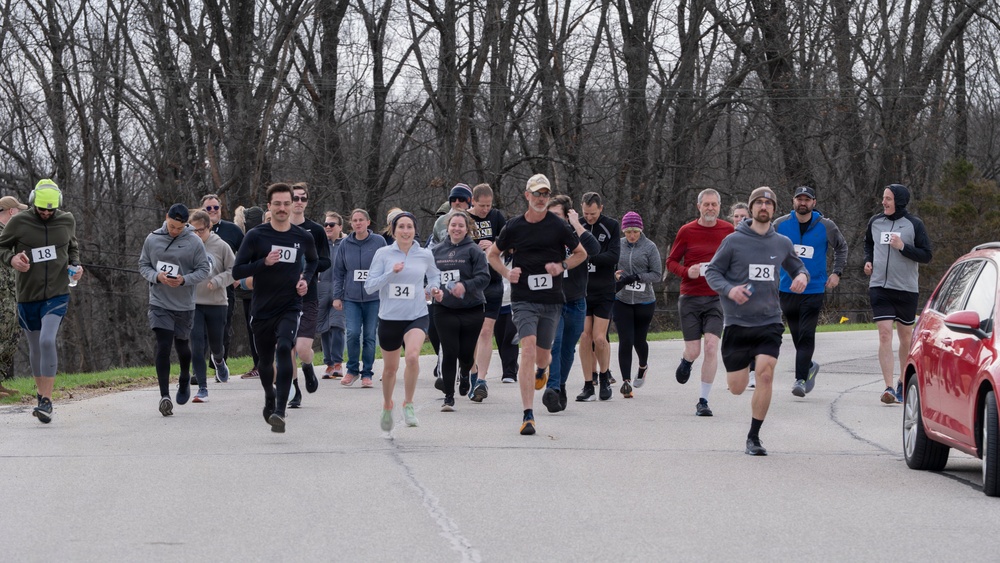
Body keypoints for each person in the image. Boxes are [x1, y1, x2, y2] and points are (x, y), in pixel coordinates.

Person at [705, 187, 809, 456]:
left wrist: (801, 277)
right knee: (737, 388)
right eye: (759, 203)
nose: (764, 206)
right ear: (751, 208)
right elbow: (713, 273)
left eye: (769, 203)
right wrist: (729, 290)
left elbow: (798, 267)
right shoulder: (733, 242)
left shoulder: (782, 243)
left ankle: (754, 436)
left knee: (765, 374)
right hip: (738, 323)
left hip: (769, 321)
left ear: (774, 209)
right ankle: (740, 372)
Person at [486, 174, 586, 435]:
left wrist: (561, 265)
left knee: (543, 355)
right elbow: (492, 254)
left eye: (545, 194)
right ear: (526, 195)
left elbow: (581, 254)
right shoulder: (514, 226)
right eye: (537, 194)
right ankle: (528, 415)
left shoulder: (558, 226)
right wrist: (507, 274)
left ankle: (543, 369)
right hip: (523, 299)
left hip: (551, 301)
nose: (541, 199)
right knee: (527, 349)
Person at [232, 183, 318, 433]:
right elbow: (238, 271)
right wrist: (263, 262)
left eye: (286, 203)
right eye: (277, 204)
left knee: (284, 347)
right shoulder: (256, 235)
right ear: (269, 206)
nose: (282, 208)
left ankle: (280, 410)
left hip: (290, 305)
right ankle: (269, 397)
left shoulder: (303, 236)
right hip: (262, 308)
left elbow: (313, 262)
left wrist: (305, 280)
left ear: (292, 205)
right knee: (266, 362)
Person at [0, 180, 83, 422]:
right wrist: (12, 259)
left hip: (57, 293)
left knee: (48, 340)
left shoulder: (66, 220)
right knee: (35, 347)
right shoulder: (19, 222)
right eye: (41, 209)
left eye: (50, 209)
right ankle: (40, 394)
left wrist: (75, 266)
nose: (46, 213)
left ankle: (46, 401)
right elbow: (1, 246)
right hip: (27, 295)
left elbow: (72, 247)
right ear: (33, 201)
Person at [364, 212, 441, 430]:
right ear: (393, 230)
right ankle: (388, 404)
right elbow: (369, 286)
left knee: (413, 357)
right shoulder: (383, 254)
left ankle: (408, 403)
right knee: (390, 369)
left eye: (409, 227)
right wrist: (391, 272)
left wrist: (432, 289)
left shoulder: (425, 255)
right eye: (401, 227)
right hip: (389, 317)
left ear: (415, 230)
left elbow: (434, 277)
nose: (406, 231)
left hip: (416, 314)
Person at [773, 186, 849, 397]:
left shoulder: (826, 226)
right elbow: (766, 246)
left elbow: (841, 247)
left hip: (814, 288)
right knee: (797, 334)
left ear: (814, 203)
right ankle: (809, 366)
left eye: (807, 199)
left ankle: (800, 379)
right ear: (793, 201)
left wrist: (837, 273)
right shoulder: (780, 225)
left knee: (807, 334)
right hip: (786, 288)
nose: (803, 203)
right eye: (799, 199)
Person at [665, 188, 734, 416]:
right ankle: (686, 360)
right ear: (699, 207)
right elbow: (671, 261)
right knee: (694, 351)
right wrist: (687, 272)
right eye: (706, 204)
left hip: (716, 298)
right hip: (691, 298)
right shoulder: (687, 231)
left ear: (719, 207)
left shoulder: (728, 230)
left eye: (714, 204)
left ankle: (703, 400)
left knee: (712, 347)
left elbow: (738, 258)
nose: (710, 208)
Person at [138, 203, 211, 416]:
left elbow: (204, 269)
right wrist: (157, 277)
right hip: (159, 302)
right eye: (171, 226)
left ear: (186, 225)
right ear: (166, 218)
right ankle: (164, 396)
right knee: (162, 345)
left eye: (179, 228)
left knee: (182, 347)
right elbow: (143, 265)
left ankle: (184, 376)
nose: (175, 231)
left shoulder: (194, 241)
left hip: (184, 304)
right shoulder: (152, 239)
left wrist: (184, 280)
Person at [863, 183, 933, 404]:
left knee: (905, 338)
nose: (883, 202)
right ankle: (889, 387)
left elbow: (927, 255)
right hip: (879, 287)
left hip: (905, 289)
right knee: (884, 334)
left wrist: (903, 246)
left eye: (888, 199)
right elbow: (868, 244)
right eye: (883, 198)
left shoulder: (914, 224)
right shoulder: (875, 222)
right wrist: (868, 261)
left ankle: (903, 381)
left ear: (899, 202)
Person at [542, 195, 598, 412]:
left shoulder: (576, 234)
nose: (552, 219)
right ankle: (553, 389)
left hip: (576, 301)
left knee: (567, 349)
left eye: (557, 215)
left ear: (567, 216)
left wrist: (576, 223)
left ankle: (561, 385)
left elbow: (594, 250)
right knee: (555, 345)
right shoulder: (543, 235)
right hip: (553, 300)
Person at [431, 211, 491, 410]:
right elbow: (428, 277)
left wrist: (465, 286)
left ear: (467, 229)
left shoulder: (474, 251)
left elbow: (484, 278)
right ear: (447, 227)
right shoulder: (436, 251)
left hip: (471, 309)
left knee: (465, 355)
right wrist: (432, 291)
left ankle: (466, 373)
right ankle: (449, 396)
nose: (456, 229)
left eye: (461, 226)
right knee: (449, 352)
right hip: (444, 308)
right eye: (453, 225)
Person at [286, 183, 331, 408]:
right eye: (295, 198)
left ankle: (308, 365)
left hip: (308, 295)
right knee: (287, 348)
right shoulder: (278, 229)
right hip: (284, 298)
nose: (298, 202)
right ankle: (294, 391)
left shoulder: (316, 230)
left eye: (303, 198)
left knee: (303, 350)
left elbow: (325, 260)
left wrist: (307, 272)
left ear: (307, 202)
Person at [333, 209, 386, 387]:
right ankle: (352, 370)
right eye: (354, 220)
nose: (358, 223)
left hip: (374, 297)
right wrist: (337, 296)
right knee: (353, 333)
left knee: (370, 336)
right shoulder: (345, 244)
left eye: (361, 220)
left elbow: (386, 267)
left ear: (368, 222)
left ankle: (367, 373)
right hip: (351, 297)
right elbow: (338, 272)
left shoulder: (379, 241)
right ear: (351, 224)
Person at [613, 212, 662, 398]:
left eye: (634, 231)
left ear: (640, 230)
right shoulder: (618, 245)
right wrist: (617, 276)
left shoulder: (649, 247)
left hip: (644, 301)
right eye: (628, 232)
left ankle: (642, 366)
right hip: (622, 299)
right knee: (625, 339)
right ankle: (626, 382)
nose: (631, 235)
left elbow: (657, 274)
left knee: (638, 340)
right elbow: (611, 267)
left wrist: (638, 277)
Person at [188, 209, 235, 402]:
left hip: (216, 303)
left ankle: (219, 360)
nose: (196, 235)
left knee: (216, 344)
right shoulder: (187, 245)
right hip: (193, 303)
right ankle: (202, 388)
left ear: (209, 227)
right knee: (197, 346)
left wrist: (217, 281)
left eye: (200, 230)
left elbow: (234, 271)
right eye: (192, 230)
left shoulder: (221, 246)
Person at [466, 183, 507, 401]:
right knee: (472, 332)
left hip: (493, 281)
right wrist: (475, 247)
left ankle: (482, 380)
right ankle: (472, 374)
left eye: (488, 205)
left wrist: (493, 245)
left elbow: (509, 243)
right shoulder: (463, 218)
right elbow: (455, 244)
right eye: (482, 206)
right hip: (471, 283)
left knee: (486, 331)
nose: (485, 210)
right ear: (473, 201)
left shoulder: (497, 217)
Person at [579, 192, 621, 400]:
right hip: (582, 290)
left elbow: (613, 256)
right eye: (586, 213)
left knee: (599, 337)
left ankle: (605, 376)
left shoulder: (611, 225)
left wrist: (589, 258)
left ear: (601, 208)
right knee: (585, 337)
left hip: (604, 289)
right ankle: (588, 383)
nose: (589, 217)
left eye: (593, 214)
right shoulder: (577, 225)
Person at [200, 194, 244, 370]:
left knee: (222, 328)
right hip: (199, 288)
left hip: (225, 288)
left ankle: (219, 362)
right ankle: (198, 368)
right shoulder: (193, 231)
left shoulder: (232, 230)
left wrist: (239, 275)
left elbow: (246, 253)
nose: (212, 211)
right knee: (199, 330)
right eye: (207, 208)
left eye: (215, 207)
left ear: (220, 208)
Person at [0, 195, 28, 394]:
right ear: (11, 211)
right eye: (18, 210)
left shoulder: (9, 236)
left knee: (11, 337)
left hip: (12, 296)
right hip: (2, 299)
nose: (19, 214)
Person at [233, 205, 264, 379]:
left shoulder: (255, 240)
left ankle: (263, 364)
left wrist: (242, 279)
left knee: (258, 328)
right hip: (246, 292)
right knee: (252, 328)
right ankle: (258, 364)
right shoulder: (247, 241)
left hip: (257, 290)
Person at [318, 212, 346, 379]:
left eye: (332, 224)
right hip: (321, 290)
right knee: (324, 328)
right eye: (326, 224)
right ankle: (328, 364)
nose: (328, 227)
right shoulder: (319, 244)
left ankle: (337, 363)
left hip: (340, 290)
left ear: (340, 227)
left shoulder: (345, 244)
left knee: (337, 326)